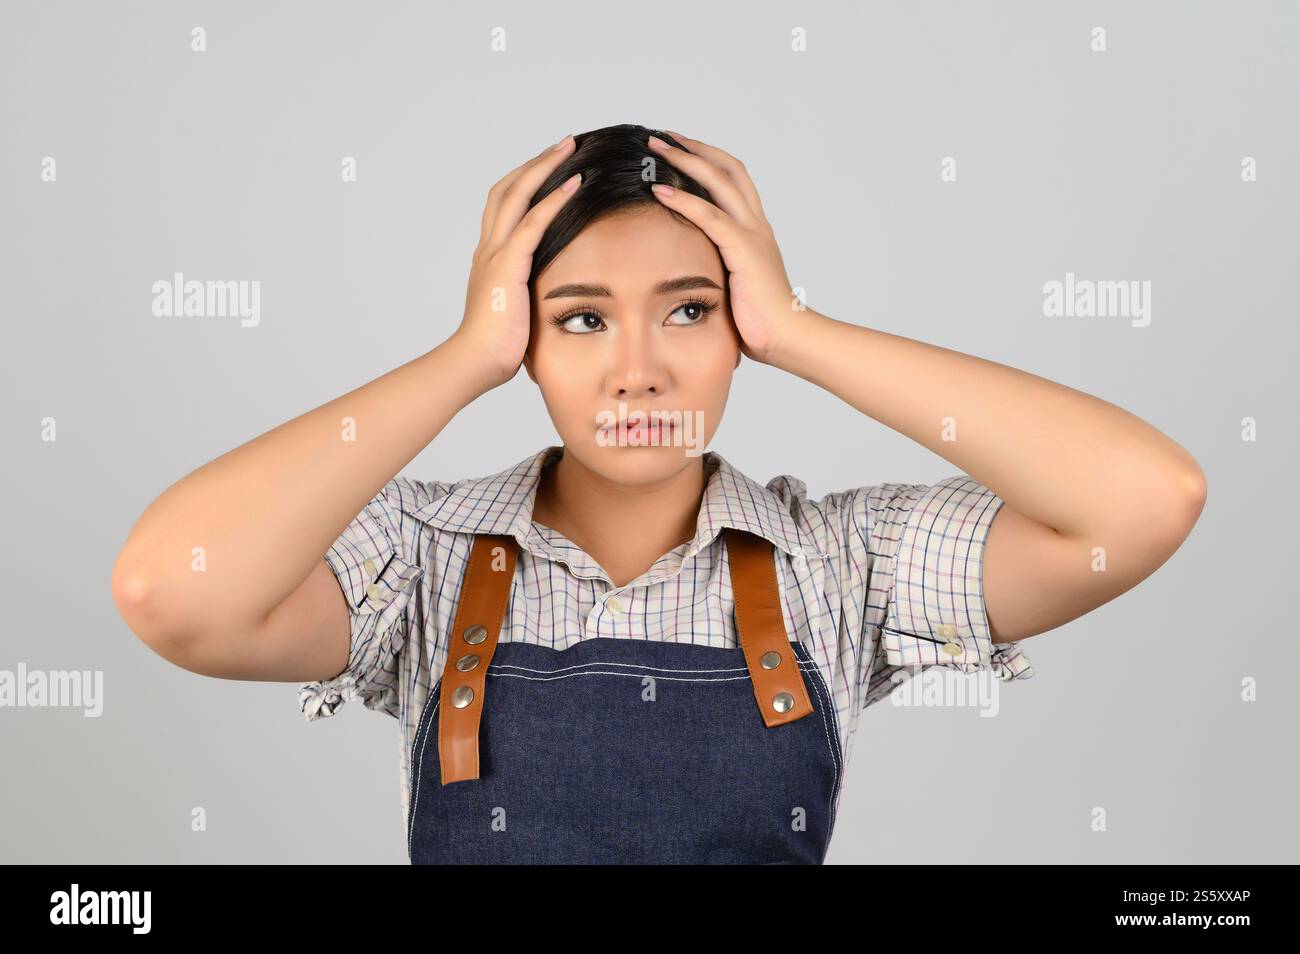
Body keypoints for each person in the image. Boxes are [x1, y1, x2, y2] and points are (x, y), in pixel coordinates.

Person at [110, 123, 1207, 864]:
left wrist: (803, 333)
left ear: (739, 331)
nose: (638, 368)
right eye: (580, 318)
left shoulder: (836, 561)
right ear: (526, 344)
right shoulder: (426, 553)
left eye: (689, 310)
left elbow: (1145, 499)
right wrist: (460, 358)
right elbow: (171, 590)